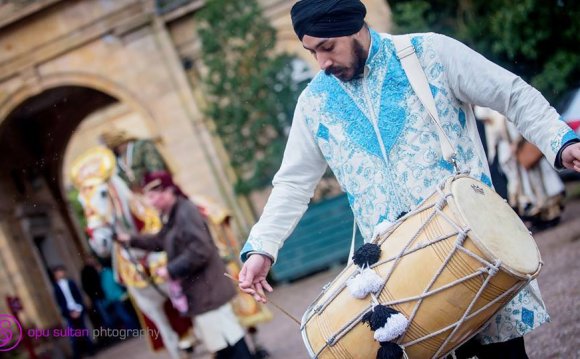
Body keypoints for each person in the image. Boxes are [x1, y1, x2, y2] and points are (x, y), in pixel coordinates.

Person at [238, 1, 580, 358]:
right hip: (396, 278)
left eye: (328, 47)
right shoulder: (313, 104)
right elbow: (293, 184)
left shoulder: (429, 52)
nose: (322, 63)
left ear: (356, 26)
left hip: (474, 253)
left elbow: (510, 93)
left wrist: (560, 140)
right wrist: (263, 246)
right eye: (312, 52)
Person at [116, 171, 253, 359]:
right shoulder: (173, 214)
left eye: (153, 196)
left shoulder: (185, 211)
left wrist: (170, 269)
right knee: (223, 347)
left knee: (232, 345)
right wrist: (130, 239)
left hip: (209, 293)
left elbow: (200, 250)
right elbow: (159, 241)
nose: (150, 202)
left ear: (168, 192)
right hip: (203, 295)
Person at [475, 106, 566, 231]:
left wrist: (515, 144)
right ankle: (542, 218)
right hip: (515, 161)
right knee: (529, 190)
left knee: (539, 186)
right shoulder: (493, 123)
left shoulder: (502, 118)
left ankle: (550, 216)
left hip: (523, 156)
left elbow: (517, 132)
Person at [100, 129, 169, 191]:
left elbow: (156, 170)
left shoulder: (142, 146)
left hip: (159, 191)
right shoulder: (117, 161)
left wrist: (150, 188)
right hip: (138, 197)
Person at [52, 265, 95, 359]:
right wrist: (69, 312)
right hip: (68, 312)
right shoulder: (56, 288)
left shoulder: (71, 283)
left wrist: (79, 309)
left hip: (78, 309)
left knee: (84, 331)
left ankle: (91, 349)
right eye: (58, 272)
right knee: (72, 335)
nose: (60, 274)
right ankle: (77, 354)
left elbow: (78, 296)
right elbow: (60, 303)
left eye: (61, 271)